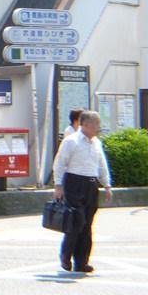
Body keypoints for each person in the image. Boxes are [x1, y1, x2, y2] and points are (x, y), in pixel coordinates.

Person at [52, 110, 112, 273]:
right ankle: (65, 256)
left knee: (87, 225)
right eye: (95, 124)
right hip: (74, 182)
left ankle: (82, 261)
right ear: (85, 124)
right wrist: (58, 185)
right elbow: (60, 163)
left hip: (91, 185)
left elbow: (102, 165)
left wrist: (106, 185)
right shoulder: (71, 141)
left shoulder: (96, 143)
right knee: (76, 221)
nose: (98, 128)